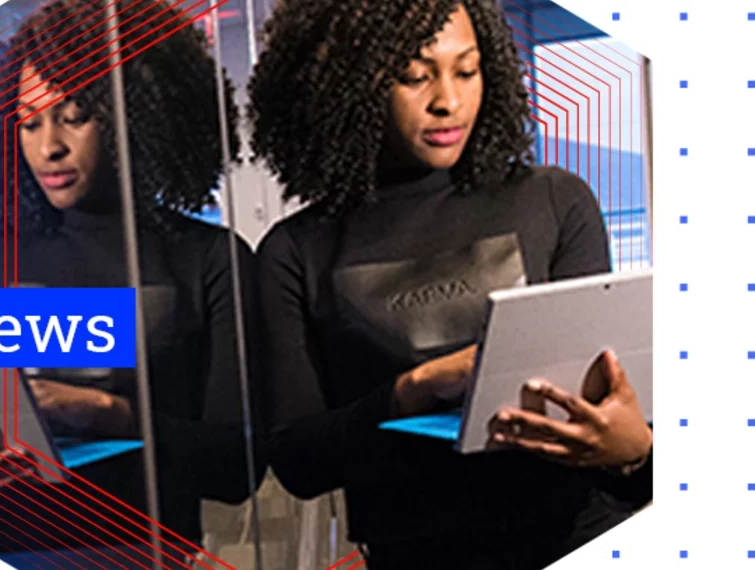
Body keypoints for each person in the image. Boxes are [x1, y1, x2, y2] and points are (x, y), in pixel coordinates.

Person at [247, 0, 652, 568]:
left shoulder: (556, 201)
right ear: (349, 81)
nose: (449, 100)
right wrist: (415, 388)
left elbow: (606, 413)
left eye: (467, 70)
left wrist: (635, 453)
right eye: (415, 76)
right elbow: (298, 461)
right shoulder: (296, 251)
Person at [0, 0, 265, 565]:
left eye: (74, 116)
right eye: (29, 122)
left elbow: (235, 469)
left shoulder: (207, 259)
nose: (49, 146)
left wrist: (108, 412)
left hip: (140, 552)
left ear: (136, 115)